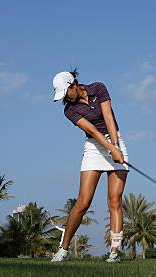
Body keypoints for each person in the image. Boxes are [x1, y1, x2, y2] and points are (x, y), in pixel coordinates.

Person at [50, 68, 129, 263]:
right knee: (83, 202)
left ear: (73, 85)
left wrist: (116, 147)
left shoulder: (98, 88)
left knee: (115, 200)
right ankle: (63, 249)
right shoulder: (69, 110)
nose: (64, 98)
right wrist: (110, 148)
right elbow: (92, 130)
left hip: (115, 141)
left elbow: (108, 117)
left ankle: (115, 251)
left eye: (65, 93)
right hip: (94, 148)